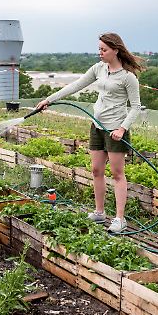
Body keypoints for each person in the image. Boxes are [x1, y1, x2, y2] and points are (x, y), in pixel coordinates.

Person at [35, 32, 144, 233]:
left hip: (115, 130)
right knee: (96, 170)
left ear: (116, 50)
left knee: (117, 174)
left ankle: (120, 219)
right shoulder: (98, 69)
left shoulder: (128, 78)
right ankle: (99, 212)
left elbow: (136, 107)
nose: (100, 53)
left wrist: (122, 128)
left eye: (104, 49)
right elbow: (75, 85)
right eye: (99, 49)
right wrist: (49, 100)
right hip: (97, 126)